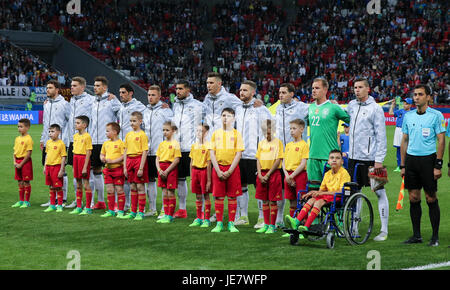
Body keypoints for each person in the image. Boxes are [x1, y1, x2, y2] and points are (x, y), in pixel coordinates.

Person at [400, 84, 446, 247]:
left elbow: (441, 140)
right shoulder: (408, 116)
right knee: (413, 197)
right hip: (412, 161)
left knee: (430, 197)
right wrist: (403, 165)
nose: (416, 97)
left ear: (428, 97)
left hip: (428, 160)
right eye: (415, 94)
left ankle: (434, 237)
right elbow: (404, 140)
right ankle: (417, 235)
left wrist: (438, 165)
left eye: (420, 94)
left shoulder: (437, 115)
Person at [345, 78, 389, 242]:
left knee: (379, 192)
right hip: (353, 159)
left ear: (368, 89)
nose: (357, 90)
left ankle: (384, 230)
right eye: (355, 87)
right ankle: (354, 226)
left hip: (371, 159)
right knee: (354, 192)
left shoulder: (376, 109)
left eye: (360, 87)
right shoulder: (351, 105)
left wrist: (379, 160)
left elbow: (381, 136)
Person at [235, 80, 273, 227]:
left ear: (252, 93)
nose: (241, 92)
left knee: (260, 187)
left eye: (245, 90)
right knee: (242, 186)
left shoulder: (261, 109)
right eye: (240, 90)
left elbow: (271, 128)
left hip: (255, 155)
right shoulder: (237, 108)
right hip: (240, 154)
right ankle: (243, 217)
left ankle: (262, 218)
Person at [284, 150, 350, 232]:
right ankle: (296, 221)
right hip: (327, 196)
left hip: (338, 197)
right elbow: (321, 190)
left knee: (318, 202)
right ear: (328, 162)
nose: (334, 160)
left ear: (342, 162)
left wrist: (322, 193)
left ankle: (306, 226)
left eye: (337, 158)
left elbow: (341, 191)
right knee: (311, 199)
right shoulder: (327, 174)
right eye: (332, 158)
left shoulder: (344, 173)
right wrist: (313, 193)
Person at [275, 83, 308, 227]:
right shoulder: (277, 108)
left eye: (283, 92)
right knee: (281, 189)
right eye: (279, 92)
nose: (280, 95)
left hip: (298, 158)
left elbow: (316, 109)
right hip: (283, 156)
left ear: (292, 94)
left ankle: (301, 220)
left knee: (299, 195)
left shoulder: (301, 107)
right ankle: (280, 218)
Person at [171, 80, 205, 219]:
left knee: (199, 180)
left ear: (188, 90)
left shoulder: (199, 106)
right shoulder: (175, 105)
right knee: (180, 179)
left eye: (180, 89)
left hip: (193, 148)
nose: (177, 91)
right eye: (176, 89)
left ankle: (202, 211)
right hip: (178, 148)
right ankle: (182, 209)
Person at [307, 78, 350, 189]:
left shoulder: (333, 108)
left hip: (329, 157)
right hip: (312, 157)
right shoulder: (310, 108)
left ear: (325, 90)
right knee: (313, 191)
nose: (313, 91)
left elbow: (352, 119)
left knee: (330, 192)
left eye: (317, 88)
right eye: (312, 88)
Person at [208, 108, 244, 233]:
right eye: (223, 115)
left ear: (233, 118)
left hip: (232, 169)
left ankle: (231, 223)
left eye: (228, 116)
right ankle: (219, 224)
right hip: (218, 168)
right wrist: (217, 170)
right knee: (218, 197)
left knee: (232, 197)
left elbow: (238, 154)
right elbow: (212, 153)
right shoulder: (215, 133)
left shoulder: (236, 134)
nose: (225, 118)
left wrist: (229, 171)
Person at [89, 76, 122, 210]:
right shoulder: (93, 101)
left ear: (104, 87)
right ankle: (101, 201)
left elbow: (122, 113)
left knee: (113, 171)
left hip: (107, 142)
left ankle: (119, 204)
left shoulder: (112, 100)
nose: (95, 88)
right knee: (94, 170)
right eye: (94, 85)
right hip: (94, 141)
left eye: (97, 86)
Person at [143, 85, 174, 218]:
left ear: (159, 96)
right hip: (148, 151)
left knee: (164, 182)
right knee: (149, 180)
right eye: (149, 95)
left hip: (161, 152)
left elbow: (173, 128)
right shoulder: (145, 110)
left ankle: (164, 209)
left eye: (153, 95)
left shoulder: (166, 111)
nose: (150, 97)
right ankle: (152, 208)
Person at [65, 76, 95, 209]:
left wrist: (110, 96)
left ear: (82, 87)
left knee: (90, 172)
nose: (72, 87)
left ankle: (91, 201)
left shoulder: (91, 99)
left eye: (75, 85)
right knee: (75, 172)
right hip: (73, 140)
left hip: (85, 141)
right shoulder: (72, 100)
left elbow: (102, 103)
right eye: (71, 85)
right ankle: (78, 202)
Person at [40, 80, 70, 207]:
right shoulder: (46, 104)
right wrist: (43, 139)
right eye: (47, 88)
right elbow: (45, 123)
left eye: (50, 88)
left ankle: (62, 199)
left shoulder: (65, 104)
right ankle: (52, 200)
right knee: (50, 171)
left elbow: (70, 122)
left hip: (61, 143)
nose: (47, 90)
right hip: (48, 142)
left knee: (61, 171)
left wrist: (66, 139)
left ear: (57, 89)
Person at [118, 83, 147, 213]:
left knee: (139, 183)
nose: (121, 95)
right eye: (120, 93)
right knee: (126, 180)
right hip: (125, 147)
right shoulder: (119, 106)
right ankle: (128, 206)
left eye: (123, 92)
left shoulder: (139, 106)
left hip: (137, 152)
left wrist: (164, 107)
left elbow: (148, 114)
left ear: (130, 93)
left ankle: (142, 209)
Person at [255, 119, 284, 234]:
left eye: (267, 131)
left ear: (273, 130)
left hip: (273, 174)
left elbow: (278, 159)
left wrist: (267, 174)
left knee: (273, 201)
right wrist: (260, 173)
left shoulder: (278, 143)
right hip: (262, 174)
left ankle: (273, 225)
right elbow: (258, 159)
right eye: (263, 132)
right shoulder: (261, 143)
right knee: (264, 201)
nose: (266, 134)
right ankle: (266, 224)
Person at [122, 111, 149, 221]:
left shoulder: (142, 135)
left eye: (134, 121)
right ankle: (133, 211)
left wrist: (141, 167)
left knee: (140, 186)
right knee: (132, 186)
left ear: (140, 121)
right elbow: (125, 150)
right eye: (131, 121)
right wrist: (124, 166)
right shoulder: (128, 135)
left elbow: (144, 151)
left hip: (138, 159)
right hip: (129, 160)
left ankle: (141, 211)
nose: (132, 123)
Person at [282, 119, 309, 223]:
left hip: (299, 175)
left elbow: (303, 164)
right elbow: (283, 162)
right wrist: (287, 176)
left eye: (294, 128)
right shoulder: (288, 145)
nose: (291, 131)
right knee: (292, 201)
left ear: (302, 129)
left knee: (301, 201)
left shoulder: (304, 145)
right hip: (288, 175)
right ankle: (293, 225)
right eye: (290, 129)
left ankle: (303, 224)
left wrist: (292, 176)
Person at [155, 121, 182, 224]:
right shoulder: (161, 144)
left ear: (173, 131)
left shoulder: (175, 144)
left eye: (167, 130)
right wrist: (159, 170)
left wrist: (167, 170)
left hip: (170, 169)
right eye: (163, 130)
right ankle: (165, 214)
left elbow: (176, 159)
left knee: (170, 192)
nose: (165, 132)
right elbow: (157, 158)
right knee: (164, 192)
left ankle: (170, 215)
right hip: (161, 169)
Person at [99, 122, 125, 218]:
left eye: (107, 131)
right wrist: (102, 158)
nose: (106, 133)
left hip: (118, 169)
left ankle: (121, 211)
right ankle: (111, 210)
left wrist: (113, 161)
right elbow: (102, 154)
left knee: (119, 190)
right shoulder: (106, 143)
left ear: (114, 132)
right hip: (108, 170)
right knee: (109, 190)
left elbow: (123, 156)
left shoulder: (121, 143)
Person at [69, 115, 93, 215]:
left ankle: (88, 207)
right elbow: (74, 151)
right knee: (78, 183)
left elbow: (88, 152)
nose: (76, 124)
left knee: (86, 184)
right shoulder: (75, 136)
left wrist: (84, 167)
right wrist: (74, 166)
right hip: (76, 159)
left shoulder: (87, 136)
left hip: (83, 159)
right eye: (75, 123)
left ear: (84, 125)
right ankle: (79, 206)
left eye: (78, 123)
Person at [188, 124, 212, 227]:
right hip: (195, 172)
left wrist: (209, 180)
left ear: (206, 133)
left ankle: (207, 219)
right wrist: (191, 177)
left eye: (201, 131)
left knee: (206, 195)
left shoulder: (208, 146)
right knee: (198, 196)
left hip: (204, 172)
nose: (198, 133)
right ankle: (198, 218)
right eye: (197, 130)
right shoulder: (194, 146)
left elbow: (209, 164)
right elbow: (191, 162)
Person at [43, 124, 67, 213]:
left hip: (56, 167)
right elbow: (47, 155)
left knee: (58, 187)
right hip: (49, 167)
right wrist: (45, 166)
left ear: (59, 132)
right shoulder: (48, 142)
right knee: (51, 186)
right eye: (49, 131)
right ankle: (52, 205)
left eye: (52, 131)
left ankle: (60, 205)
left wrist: (61, 169)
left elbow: (63, 157)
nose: (50, 133)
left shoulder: (61, 143)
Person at [12, 118, 33, 208]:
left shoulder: (28, 139)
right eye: (18, 126)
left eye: (21, 126)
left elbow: (28, 154)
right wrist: (14, 161)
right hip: (17, 161)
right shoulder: (17, 138)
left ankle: (26, 201)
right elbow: (14, 152)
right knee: (19, 181)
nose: (19, 128)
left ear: (27, 127)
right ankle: (21, 200)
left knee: (26, 182)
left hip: (25, 162)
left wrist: (21, 164)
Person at [389, 97, 412, 172]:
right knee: (398, 148)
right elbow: (390, 113)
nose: (405, 105)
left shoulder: (412, 113)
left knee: (407, 148)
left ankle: (407, 165)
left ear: (410, 105)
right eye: (404, 103)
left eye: (407, 103)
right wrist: (392, 105)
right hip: (398, 130)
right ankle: (399, 165)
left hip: (406, 131)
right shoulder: (400, 111)